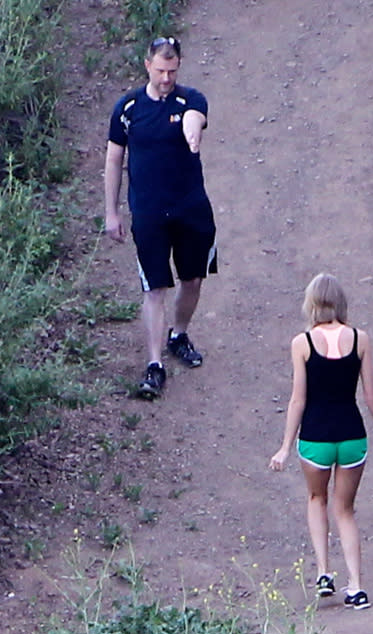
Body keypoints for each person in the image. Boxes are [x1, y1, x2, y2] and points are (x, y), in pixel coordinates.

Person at [269, 273, 373, 609]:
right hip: (352, 434)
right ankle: (356, 586)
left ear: (311, 303)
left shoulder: (302, 343)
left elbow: (298, 398)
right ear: (341, 302)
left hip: (315, 436)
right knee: (346, 510)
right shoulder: (360, 339)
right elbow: (371, 394)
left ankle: (324, 573)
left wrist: (285, 445)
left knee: (316, 499)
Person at [104, 36, 217, 399]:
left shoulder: (191, 100)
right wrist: (111, 211)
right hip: (149, 213)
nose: (166, 77)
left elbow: (194, 118)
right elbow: (113, 160)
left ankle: (179, 334)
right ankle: (154, 365)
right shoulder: (128, 108)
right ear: (147, 64)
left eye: (172, 70)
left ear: (178, 66)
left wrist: (191, 130)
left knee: (193, 280)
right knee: (154, 288)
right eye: (160, 70)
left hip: (191, 208)